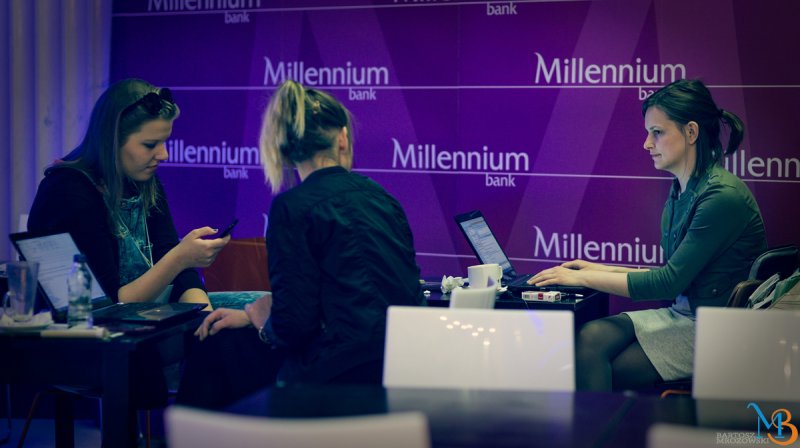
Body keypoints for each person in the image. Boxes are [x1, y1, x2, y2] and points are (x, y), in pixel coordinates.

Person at [178, 80, 424, 408]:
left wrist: (263, 322)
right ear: (342, 138)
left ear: (284, 149)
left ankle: (186, 431)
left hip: (335, 377)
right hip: (402, 367)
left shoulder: (292, 208)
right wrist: (254, 315)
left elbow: (295, 327)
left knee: (213, 349)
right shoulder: (382, 197)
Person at [528, 79, 767, 391]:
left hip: (714, 332)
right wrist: (598, 269)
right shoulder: (683, 188)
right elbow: (674, 274)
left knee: (593, 363)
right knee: (590, 337)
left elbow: (669, 282)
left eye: (657, 132)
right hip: (685, 316)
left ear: (691, 132)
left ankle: (598, 424)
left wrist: (581, 278)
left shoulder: (721, 196)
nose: (647, 144)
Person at [28, 78, 228, 308]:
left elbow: (171, 259)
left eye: (164, 142)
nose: (164, 155)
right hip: (92, 324)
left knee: (246, 309)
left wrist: (203, 316)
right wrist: (180, 258)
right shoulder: (68, 191)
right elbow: (110, 304)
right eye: (150, 144)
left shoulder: (144, 180)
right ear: (112, 142)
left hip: (147, 313)